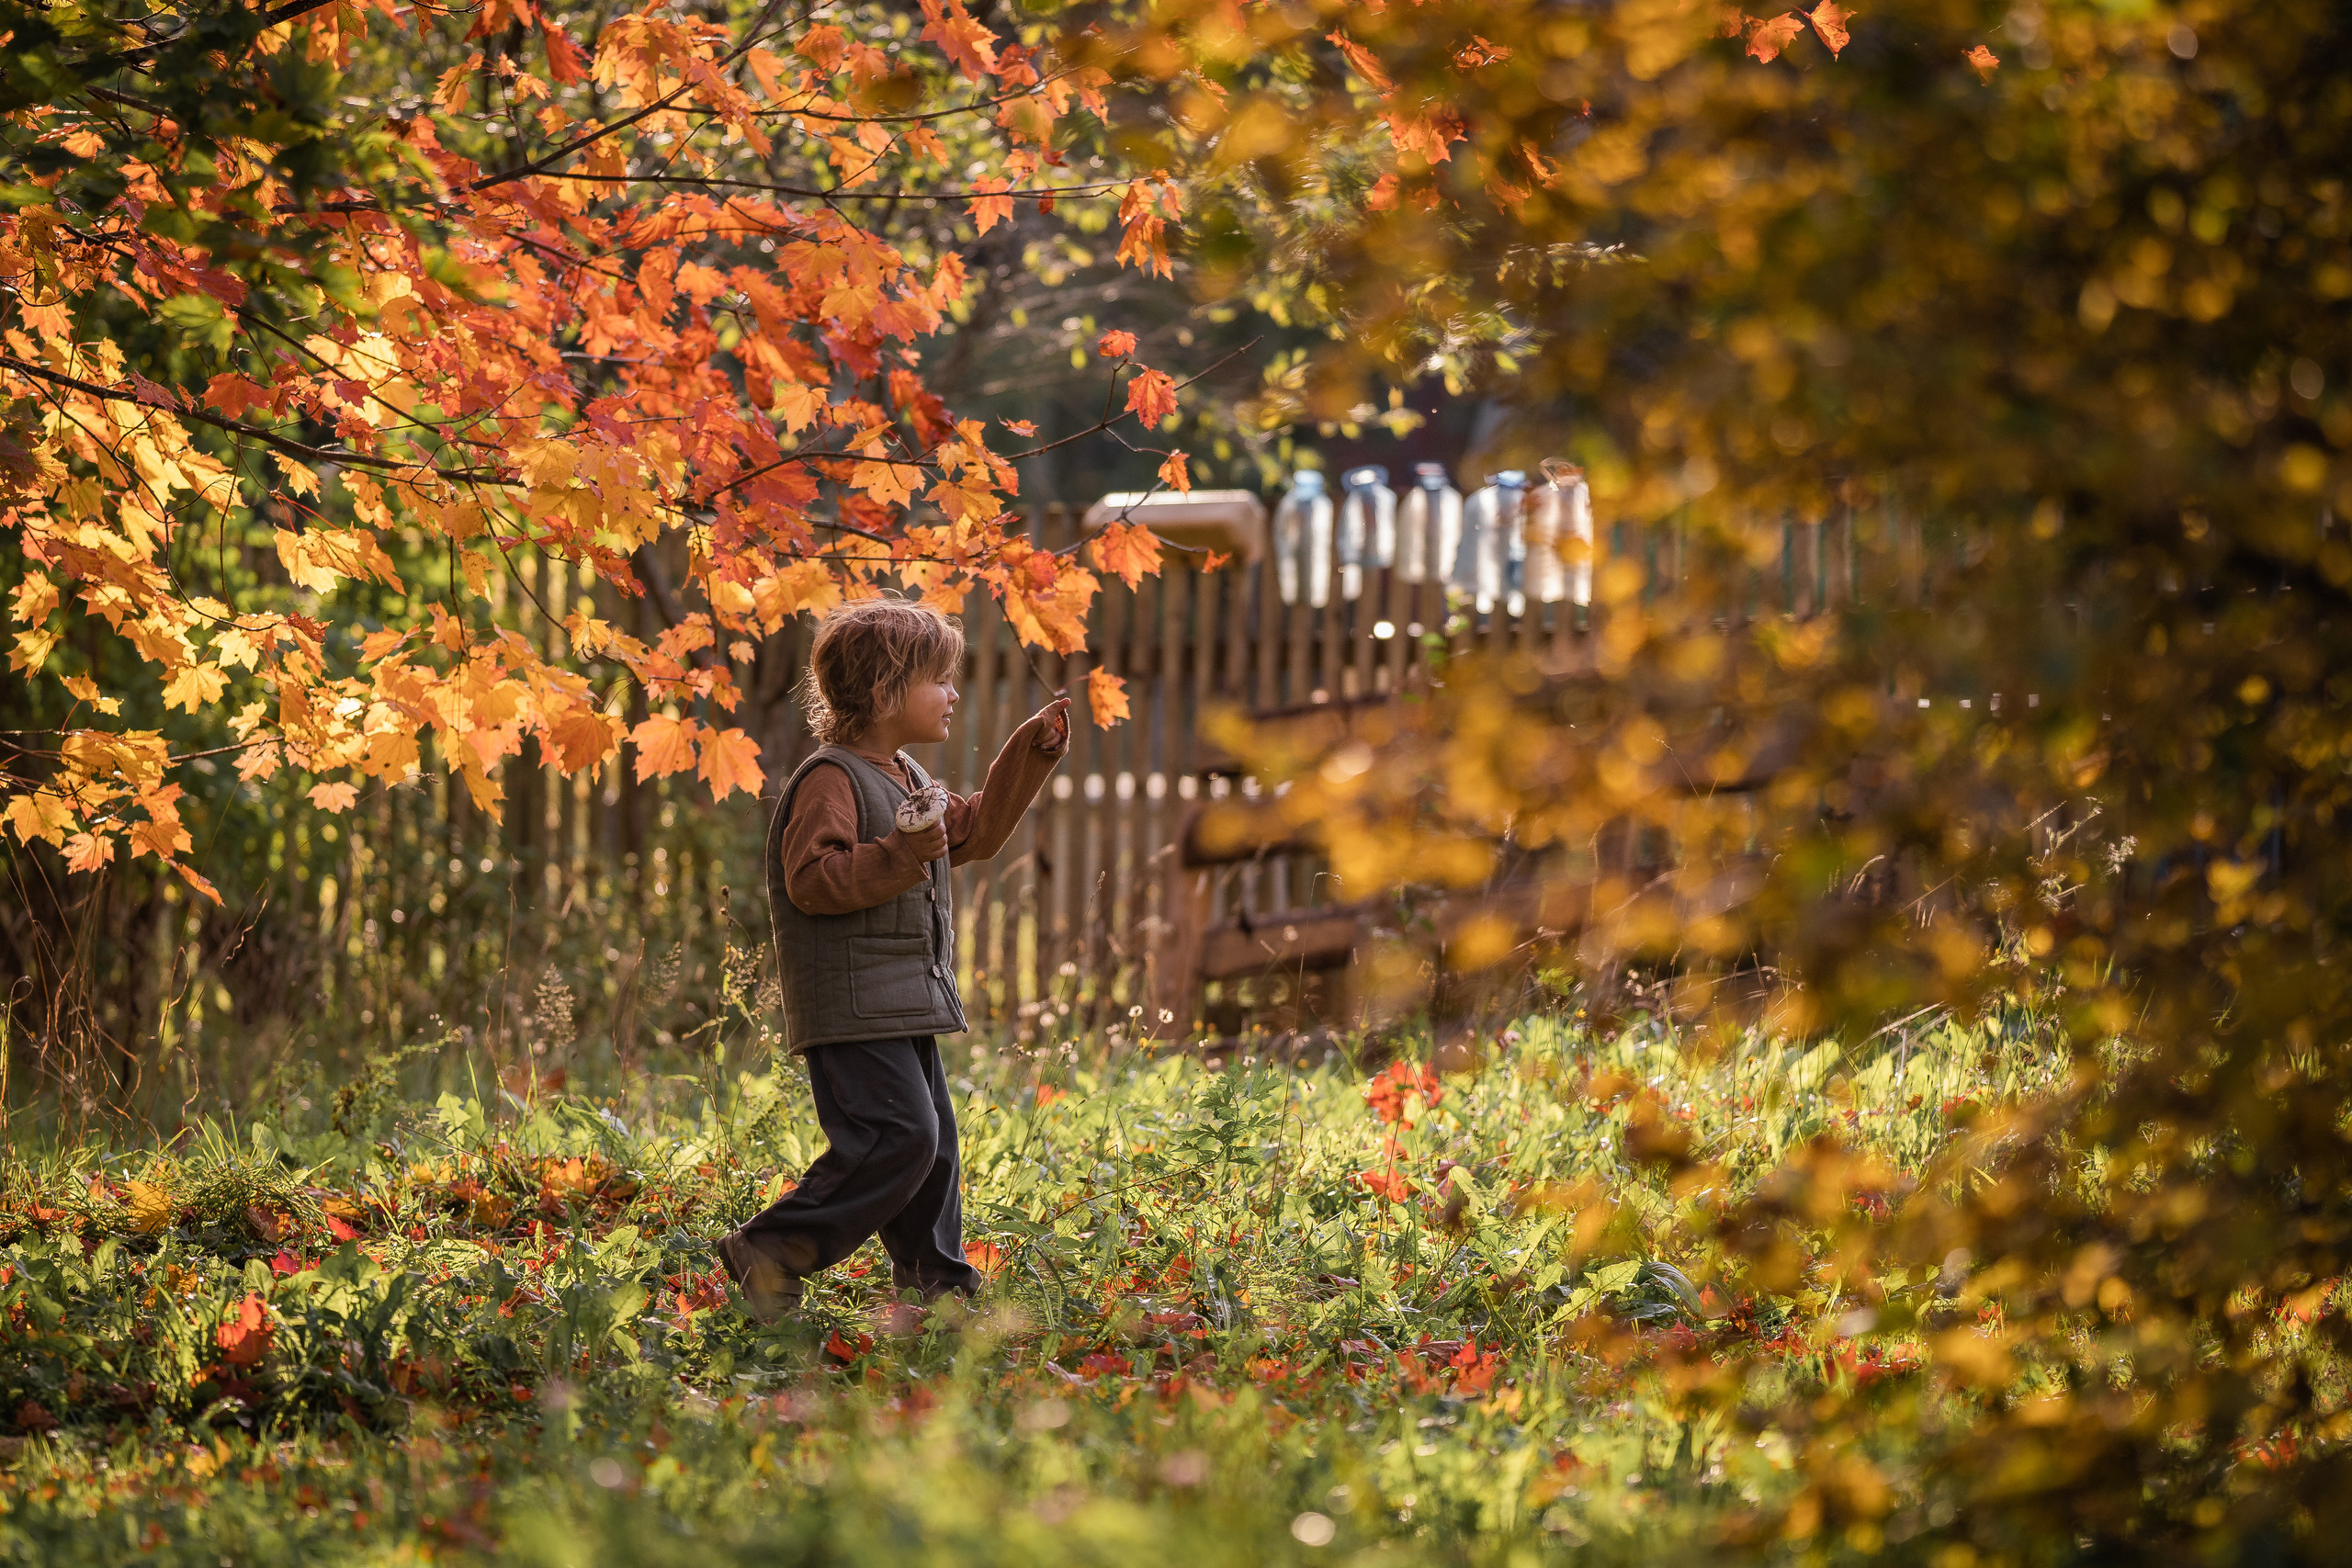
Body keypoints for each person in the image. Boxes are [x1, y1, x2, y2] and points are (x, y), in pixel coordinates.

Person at [715, 596, 1069, 1320]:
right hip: (851, 1007)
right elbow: (813, 881)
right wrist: (901, 853)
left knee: (932, 1148)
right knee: (901, 1136)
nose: (954, 692)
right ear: (883, 691)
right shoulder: (830, 780)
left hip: (903, 996)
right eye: (939, 678)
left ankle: (937, 1288)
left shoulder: (904, 773)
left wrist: (1028, 752)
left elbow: (969, 833)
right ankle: (771, 1246)